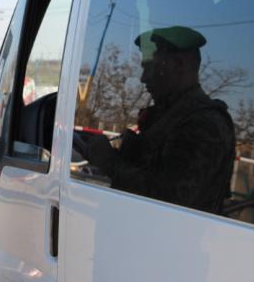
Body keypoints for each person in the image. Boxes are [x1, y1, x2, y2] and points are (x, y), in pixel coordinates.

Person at [85, 26, 235, 214]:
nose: (143, 78)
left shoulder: (204, 123)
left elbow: (169, 198)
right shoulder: (170, 115)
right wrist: (130, 151)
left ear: (178, 64)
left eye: (150, 67)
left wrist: (108, 161)